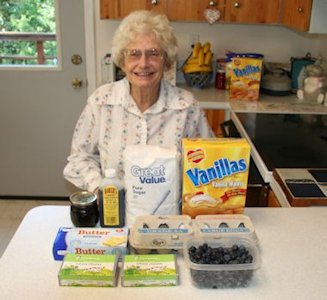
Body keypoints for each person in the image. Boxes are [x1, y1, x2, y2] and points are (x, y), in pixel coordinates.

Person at [63, 10, 214, 193]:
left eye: (153, 53)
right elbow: (80, 157)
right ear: (122, 61)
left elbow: (208, 162)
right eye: (134, 54)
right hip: (115, 213)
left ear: (166, 60)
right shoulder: (101, 102)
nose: (143, 64)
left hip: (168, 213)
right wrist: (101, 190)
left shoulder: (187, 107)